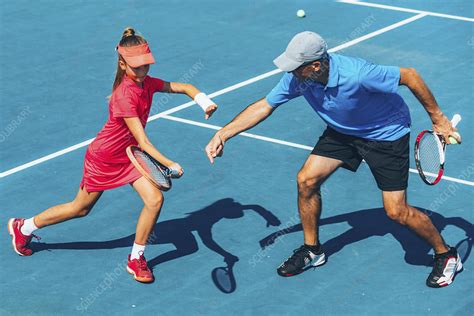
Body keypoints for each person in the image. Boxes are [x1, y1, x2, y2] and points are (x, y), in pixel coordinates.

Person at [205, 31, 462, 288]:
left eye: (296, 68)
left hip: (385, 134)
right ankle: (312, 250)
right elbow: (265, 105)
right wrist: (223, 134)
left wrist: (438, 119)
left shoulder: (358, 74)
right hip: (343, 132)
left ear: (316, 65)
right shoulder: (299, 79)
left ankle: (446, 254)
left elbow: (410, 76)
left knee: (396, 211)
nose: (291, 73)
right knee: (306, 181)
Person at [8, 27, 218, 284]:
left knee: (154, 200)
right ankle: (24, 227)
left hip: (129, 157)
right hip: (104, 158)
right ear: (122, 63)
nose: (143, 72)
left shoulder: (146, 83)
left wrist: (204, 101)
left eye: (146, 66)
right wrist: (169, 163)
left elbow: (184, 86)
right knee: (80, 209)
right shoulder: (124, 96)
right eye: (137, 67)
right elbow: (142, 140)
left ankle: (136, 258)